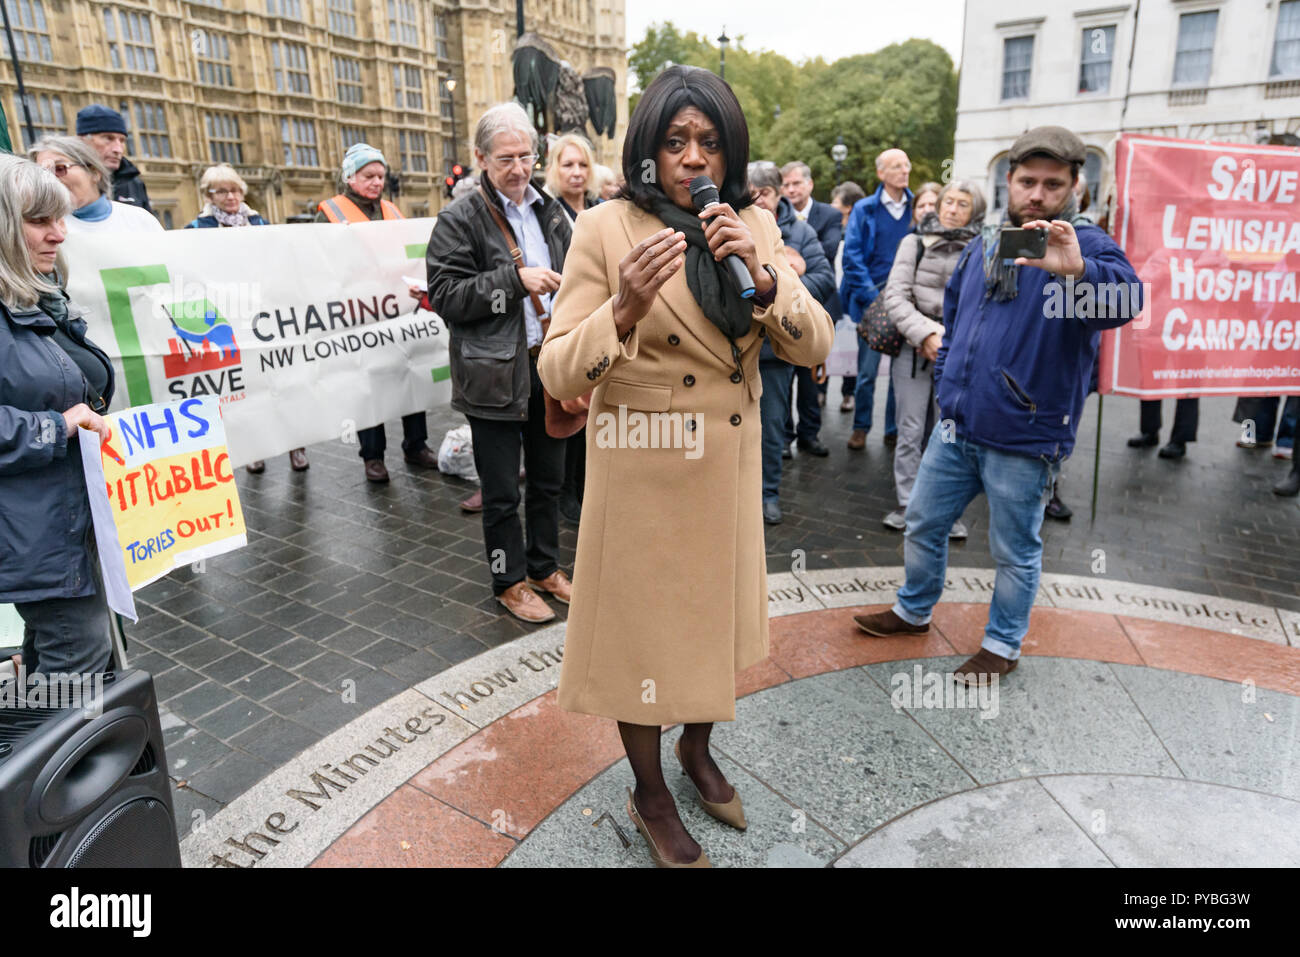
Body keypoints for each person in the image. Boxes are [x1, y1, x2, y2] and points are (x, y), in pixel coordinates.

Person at [537, 65, 833, 867]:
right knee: (644, 643)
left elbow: (816, 345)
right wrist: (622, 309)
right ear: (648, 149)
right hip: (645, 475)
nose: (692, 159)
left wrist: (768, 281)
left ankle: (696, 751)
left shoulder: (753, 225)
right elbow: (559, 373)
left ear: (729, 152)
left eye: (707, 142)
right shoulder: (604, 228)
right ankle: (650, 788)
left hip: (726, 469)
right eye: (675, 141)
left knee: (711, 628)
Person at [853, 126, 1141, 685]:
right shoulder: (986, 242)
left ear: (1074, 186)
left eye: (1052, 184)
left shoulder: (1088, 245)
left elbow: (1128, 301)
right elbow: (958, 317)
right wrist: (950, 374)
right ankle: (914, 610)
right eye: (1027, 180)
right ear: (1008, 181)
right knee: (923, 522)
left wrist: (1079, 270)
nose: (1037, 193)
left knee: (1013, 550)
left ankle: (1002, 644)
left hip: (1026, 433)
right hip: (959, 423)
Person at [426, 103, 573, 624]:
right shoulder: (458, 218)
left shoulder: (551, 210)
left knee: (550, 481)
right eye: (505, 158)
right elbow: (445, 297)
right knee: (503, 491)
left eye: (526, 156)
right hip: (491, 375)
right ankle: (508, 581)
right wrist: (516, 282)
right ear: (480, 159)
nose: (518, 168)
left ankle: (543, 567)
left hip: (548, 366)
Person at [0, 155, 116, 676]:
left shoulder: (39, 293)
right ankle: (68, 758)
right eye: (40, 221)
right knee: (78, 665)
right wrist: (58, 426)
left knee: (54, 657)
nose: (59, 234)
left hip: (62, 520)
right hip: (35, 530)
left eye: (61, 218)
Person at [317, 143, 438, 482]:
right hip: (358, 312)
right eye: (369, 175)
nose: (376, 182)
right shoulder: (329, 212)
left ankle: (416, 445)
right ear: (350, 176)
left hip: (399, 309)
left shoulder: (392, 210)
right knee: (367, 383)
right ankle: (372, 456)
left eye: (381, 176)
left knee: (408, 373)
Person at [186, 164, 308, 474]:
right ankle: (255, 448)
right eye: (222, 191)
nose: (231, 196)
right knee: (247, 385)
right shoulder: (196, 230)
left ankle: (296, 443)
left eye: (236, 190)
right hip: (229, 317)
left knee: (282, 379)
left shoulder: (259, 222)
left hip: (266, 314)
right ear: (208, 195)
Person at [881, 179, 985, 540]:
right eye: (948, 201)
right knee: (909, 430)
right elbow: (896, 294)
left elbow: (985, 304)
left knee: (950, 432)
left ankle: (946, 509)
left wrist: (951, 340)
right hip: (914, 348)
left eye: (962, 204)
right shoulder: (913, 242)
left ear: (976, 212)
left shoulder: (983, 248)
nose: (952, 209)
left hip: (960, 355)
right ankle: (908, 503)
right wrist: (925, 333)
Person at [750, 161, 836, 524]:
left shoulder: (798, 232)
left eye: (765, 194)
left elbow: (825, 277)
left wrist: (782, 288)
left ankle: (768, 494)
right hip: (731, 350)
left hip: (774, 350)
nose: (758, 202)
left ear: (778, 193)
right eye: (751, 194)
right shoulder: (729, 222)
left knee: (771, 427)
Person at [841, 148, 910, 450]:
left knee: (900, 373)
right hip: (872, 300)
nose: (904, 170)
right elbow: (852, 256)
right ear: (881, 173)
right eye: (896, 166)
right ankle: (861, 427)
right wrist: (872, 297)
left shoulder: (917, 208)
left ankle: (893, 429)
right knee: (867, 373)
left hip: (908, 301)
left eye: (906, 165)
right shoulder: (865, 209)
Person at [544, 133, 597, 525]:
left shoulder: (600, 210)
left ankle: (586, 489)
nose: (576, 173)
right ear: (554, 169)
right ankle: (565, 494)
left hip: (601, 324)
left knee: (593, 412)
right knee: (566, 409)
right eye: (568, 165)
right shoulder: (548, 214)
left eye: (582, 165)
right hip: (565, 322)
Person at [779, 160, 842, 442]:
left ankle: (810, 433)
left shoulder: (828, 214)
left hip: (817, 303)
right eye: (786, 185)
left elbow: (828, 250)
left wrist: (790, 266)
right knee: (782, 377)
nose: (791, 190)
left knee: (811, 377)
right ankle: (785, 434)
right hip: (783, 310)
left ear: (810, 184)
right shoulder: (770, 217)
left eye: (796, 183)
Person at [28, 136, 162, 234]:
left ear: (94, 172)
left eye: (59, 168)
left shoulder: (139, 220)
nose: (50, 179)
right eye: (42, 173)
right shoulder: (45, 233)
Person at [825, 180, 866, 411]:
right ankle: (822, 388)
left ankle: (848, 393)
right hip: (832, 292)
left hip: (850, 295)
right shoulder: (833, 226)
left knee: (850, 347)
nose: (832, 205)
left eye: (836, 201)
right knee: (825, 345)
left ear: (848, 206)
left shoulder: (857, 229)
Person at [75, 104, 153, 215]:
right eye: (108, 138)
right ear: (83, 140)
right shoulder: (64, 181)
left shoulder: (134, 183)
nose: (118, 149)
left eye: (122, 141)